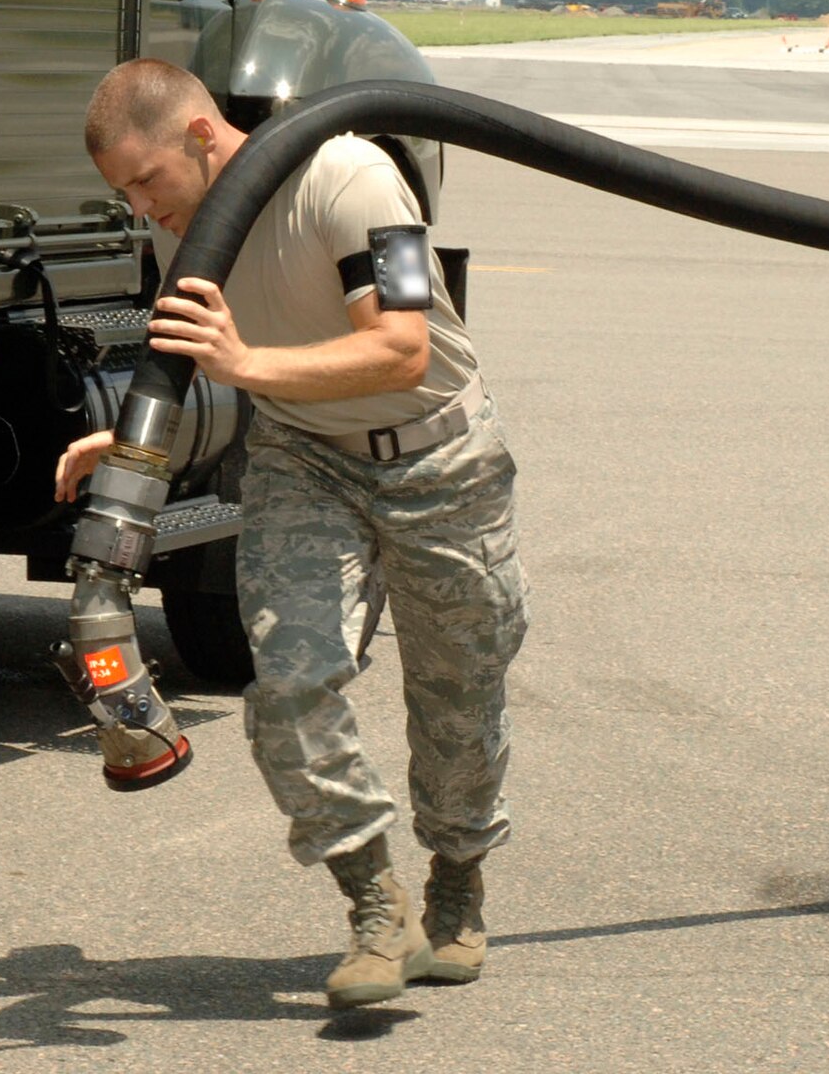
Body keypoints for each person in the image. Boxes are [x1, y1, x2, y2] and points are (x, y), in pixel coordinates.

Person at [55, 59, 531, 1009]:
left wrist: (242, 359)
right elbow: (219, 383)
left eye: (147, 180)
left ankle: (457, 886)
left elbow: (403, 348)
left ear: (200, 135)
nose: (143, 207)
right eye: (124, 192)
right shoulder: (183, 234)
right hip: (307, 459)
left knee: (458, 699)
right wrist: (140, 434)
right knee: (288, 681)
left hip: (441, 459)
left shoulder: (349, 179)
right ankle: (373, 904)